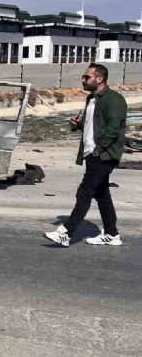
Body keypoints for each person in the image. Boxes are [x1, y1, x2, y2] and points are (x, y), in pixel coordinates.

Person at [44, 63, 127, 247]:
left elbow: (113, 130)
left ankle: (66, 232)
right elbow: (94, 128)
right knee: (102, 194)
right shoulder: (91, 99)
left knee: (85, 192)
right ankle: (112, 234)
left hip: (104, 155)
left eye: (87, 77)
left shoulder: (114, 100)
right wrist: (77, 125)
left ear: (99, 79)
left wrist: (99, 150)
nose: (83, 79)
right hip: (92, 152)